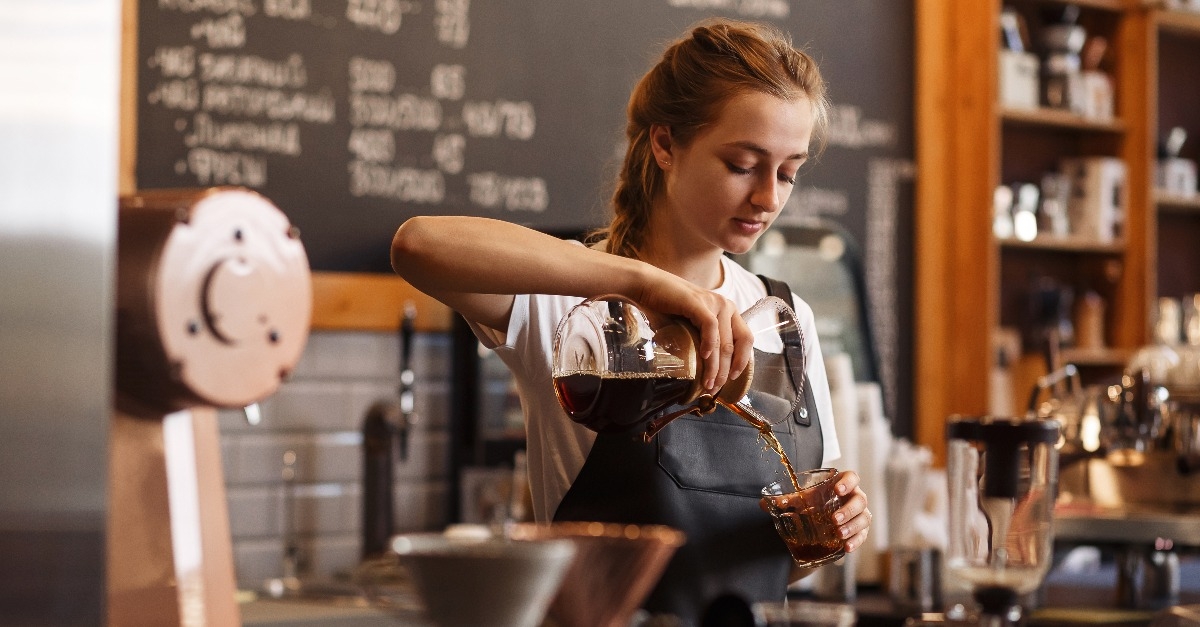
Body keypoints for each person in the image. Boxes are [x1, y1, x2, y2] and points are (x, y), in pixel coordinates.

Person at [391, 18, 871, 625]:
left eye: (788, 172)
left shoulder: (789, 320)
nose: (769, 198)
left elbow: (780, 557)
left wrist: (826, 529)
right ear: (665, 145)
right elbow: (418, 245)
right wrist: (641, 281)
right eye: (743, 164)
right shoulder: (574, 308)